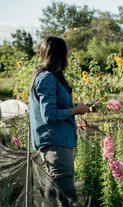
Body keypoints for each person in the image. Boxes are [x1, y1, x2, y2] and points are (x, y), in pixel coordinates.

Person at [30, 36, 89, 207]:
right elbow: (49, 114)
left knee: (53, 198)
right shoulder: (46, 78)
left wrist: (82, 108)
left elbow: (57, 111)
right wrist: (76, 110)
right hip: (55, 145)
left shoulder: (52, 77)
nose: (68, 56)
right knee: (67, 198)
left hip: (59, 142)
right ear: (60, 55)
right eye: (66, 53)